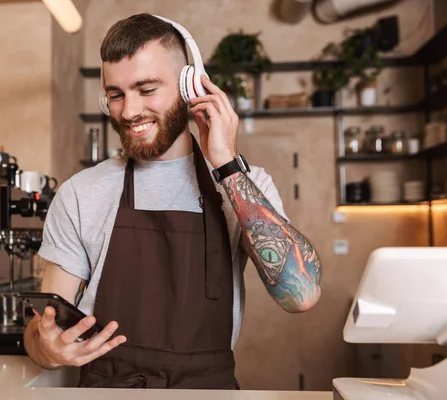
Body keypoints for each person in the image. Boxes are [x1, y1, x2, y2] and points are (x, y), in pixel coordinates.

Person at [23, 13, 322, 389]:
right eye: (116, 95)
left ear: (191, 87)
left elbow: (303, 295)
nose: (129, 111)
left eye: (146, 90)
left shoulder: (244, 187)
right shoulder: (81, 194)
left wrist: (227, 166)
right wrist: (46, 348)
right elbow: (39, 332)